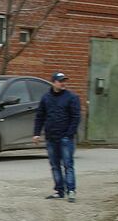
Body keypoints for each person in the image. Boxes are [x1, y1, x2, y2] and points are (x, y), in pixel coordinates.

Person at [32, 71, 82, 202]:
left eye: (65, 81)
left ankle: (71, 191)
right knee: (55, 165)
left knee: (68, 165)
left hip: (65, 138)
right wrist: (36, 133)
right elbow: (40, 116)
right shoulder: (46, 98)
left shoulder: (71, 98)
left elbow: (76, 117)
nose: (63, 83)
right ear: (54, 82)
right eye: (61, 81)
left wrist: (69, 134)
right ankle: (59, 190)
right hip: (51, 137)